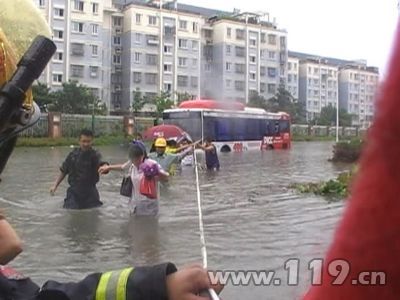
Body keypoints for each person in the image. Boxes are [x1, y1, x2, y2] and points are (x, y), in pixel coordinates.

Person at [99, 141, 169, 216]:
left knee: (149, 224)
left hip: (150, 204)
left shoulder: (151, 164)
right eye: (133, 159)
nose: (136, 162)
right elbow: (122, 167)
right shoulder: (132, 164)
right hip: (135, 203)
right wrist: (109, 167)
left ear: (142, 155)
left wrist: (156, 172)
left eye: (138, 159)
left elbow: (166, 178)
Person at [50, 129, 109, 209]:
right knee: (70, 211)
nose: (86, 144)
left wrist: (105, 167)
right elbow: (63, 171)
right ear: (79, 141)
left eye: (88, 141)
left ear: (92, 142)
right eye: (83, 141)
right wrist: (55, 186)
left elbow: (102, 163)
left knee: (94, 212)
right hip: (74, 192)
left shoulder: (95, 155)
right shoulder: (73, 155)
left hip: (90, 192)